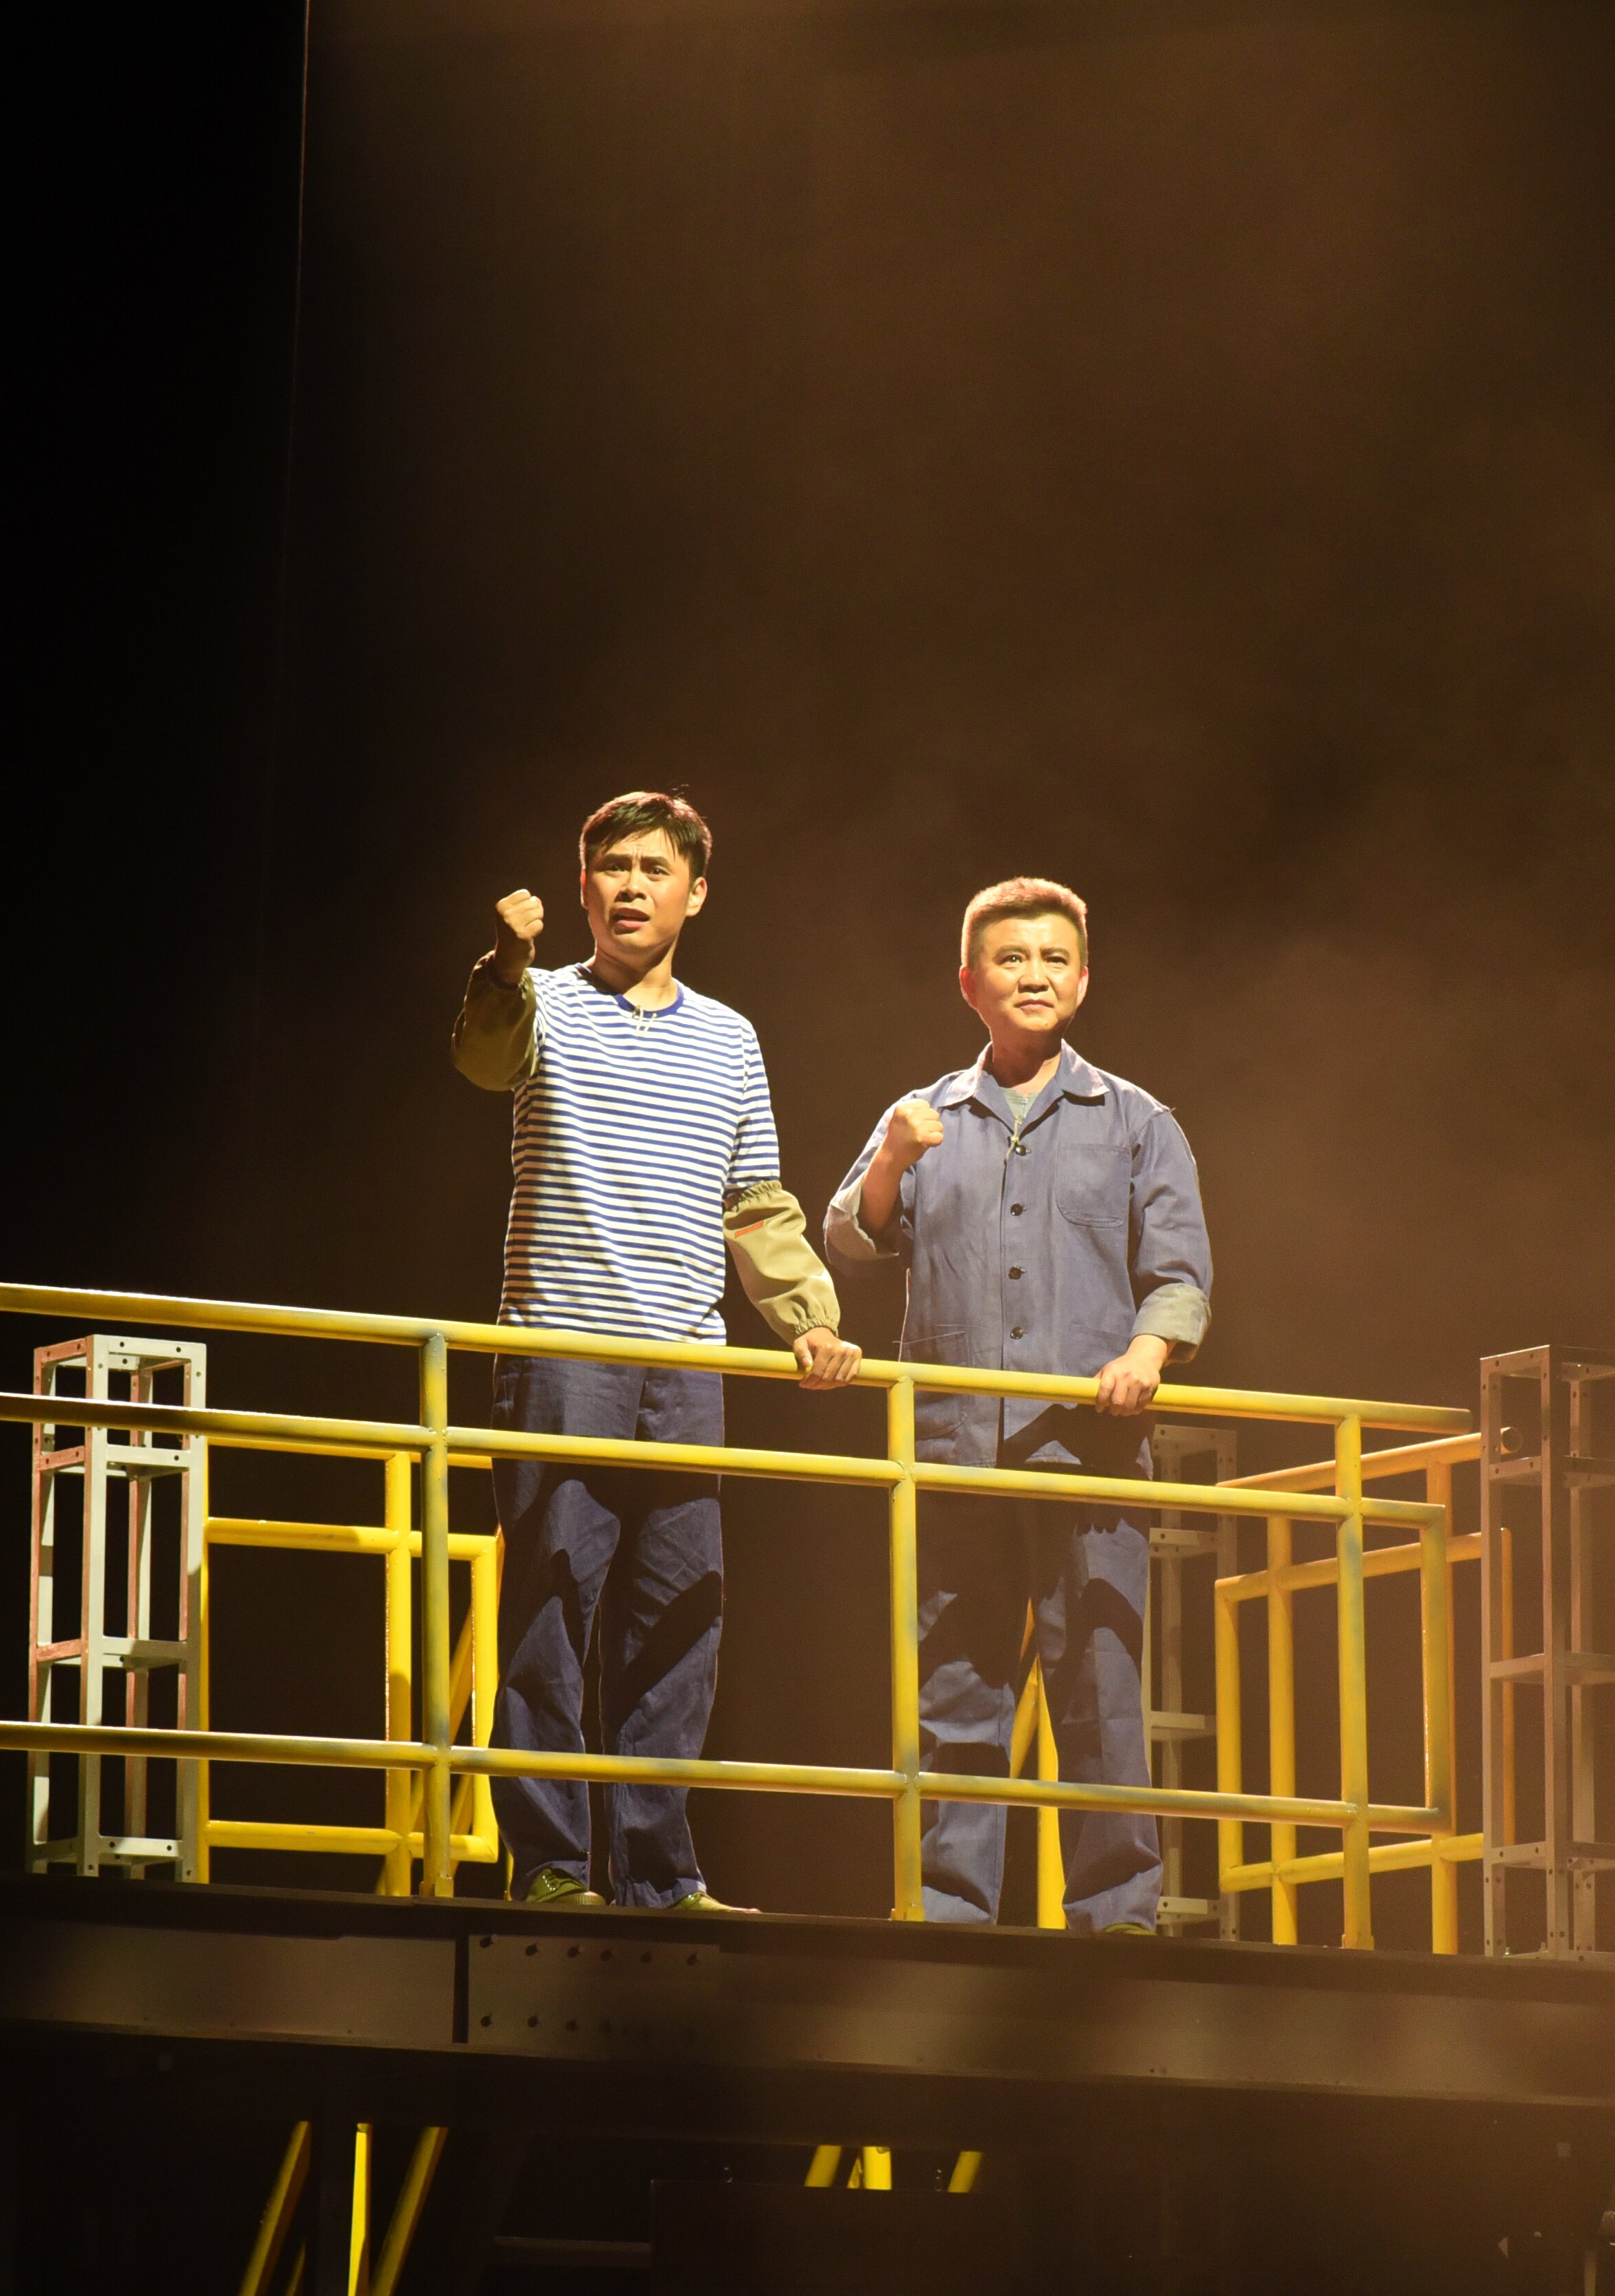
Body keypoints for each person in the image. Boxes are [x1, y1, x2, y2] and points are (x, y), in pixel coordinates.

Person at [454, 791, 862, 1911]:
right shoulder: (539, 999)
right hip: (562, 1350)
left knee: (681, 1616)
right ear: (583, 887)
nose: (633, 886)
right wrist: (506, 960)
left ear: (696, 893)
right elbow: (483, 1060)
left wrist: (811, 1319)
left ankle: (658, 1872)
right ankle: (548, 1865)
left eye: (655, 868)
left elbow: (757, 1202)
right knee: (551, 1606)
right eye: (614, 867)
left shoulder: (731, 1037)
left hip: (687, 1365)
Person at [824, 878, 1211, 1932]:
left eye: (1053, 959)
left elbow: (1180, 1274)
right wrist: (892, 1159)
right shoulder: (925, 1115)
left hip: (1088, 1456)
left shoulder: (1137, 1121)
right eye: (1011, 958)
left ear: (1082, 980)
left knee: (1100, 1695)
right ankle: (949, 1919)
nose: (1033, 975)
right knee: (955, 1697)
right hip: (955, 1453)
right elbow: (848, 1240)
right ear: (969, 982)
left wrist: (1146, 1352)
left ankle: (1117, 1921)